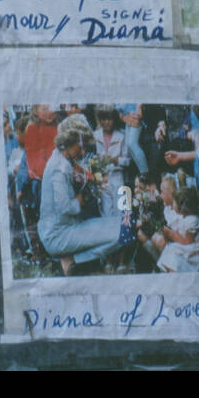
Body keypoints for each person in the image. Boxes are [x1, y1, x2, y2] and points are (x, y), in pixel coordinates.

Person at [37, 114, 131, 275]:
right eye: (80, 147)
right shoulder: (59, 169)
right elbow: (65, 207)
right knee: (124, 232)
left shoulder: (61, 157)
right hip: (58, 235)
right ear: (68, 143)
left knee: (125, 225)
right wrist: (80, 200)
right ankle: (71, 261)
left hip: (67, 227)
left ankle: (70, 260)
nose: (83, 151)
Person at [155, 188, 199, 273]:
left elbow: (187, 241)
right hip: (192, 246)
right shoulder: (184, 218)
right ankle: (171, 271)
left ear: (182, 206)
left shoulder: (192, 220)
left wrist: (170, 233)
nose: (172, 206)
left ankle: (175, 273)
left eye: (174, 203)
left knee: (172, 250)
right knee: (170, 250)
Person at [93, 106, 128, 217]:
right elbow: (91, 159)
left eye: (109, 119)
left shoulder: (121, 136)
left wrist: (115, 160)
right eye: (103, 119)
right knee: (105, 211)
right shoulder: (95, 136)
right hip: (102, 178)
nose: (107, 122)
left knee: (119, 211)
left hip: (117, 176)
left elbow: (127, 161)